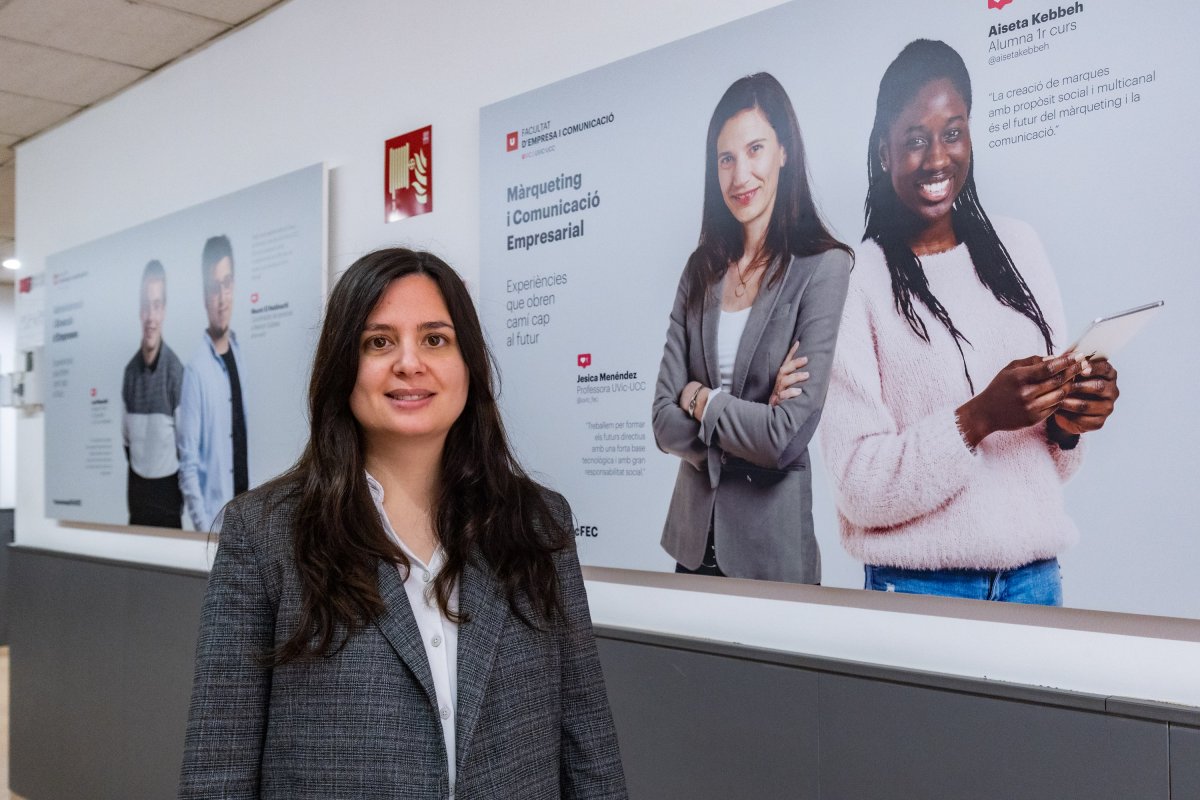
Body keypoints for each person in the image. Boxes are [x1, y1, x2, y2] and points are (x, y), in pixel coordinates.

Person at [179, 249, 627, 799]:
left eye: (436, 339)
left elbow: (588, 745)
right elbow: (218, 768)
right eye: (379, 342)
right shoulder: (265, 535)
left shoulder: (537, 524)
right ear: (344, 366)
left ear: (468, 364)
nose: (409, 363)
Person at [816, 39, 1119, 604]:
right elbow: (858, 485)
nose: (936, 158)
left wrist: (1071, 421)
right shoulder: (855, 285)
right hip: (918, 594)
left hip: (1036, 583)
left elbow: (1052, 468)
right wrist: (977, 418)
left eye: (952, 132)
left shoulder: (1020, 250)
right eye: (915, 140)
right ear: (884, 152)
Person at [651, 72, 853, 583]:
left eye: (755, 149)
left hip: (771, 556)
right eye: (726, 158)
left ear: (784, 151)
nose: (740, 174)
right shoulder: (701, 271)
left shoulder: (823, 269)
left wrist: (700, 399)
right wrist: (753, 420)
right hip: (693, 548)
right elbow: (661, 421)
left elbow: (785, 438)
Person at [177, 234, 248, 532]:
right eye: (214, 287)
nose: (222, 297)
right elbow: (188, 466)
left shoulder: (243, 354)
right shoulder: (195, 371)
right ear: (204, 295)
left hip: (250, 523)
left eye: (227, 283)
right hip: (219, 530)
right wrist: (206, 531)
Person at [122, 259, 184, 527]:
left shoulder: (175, 372)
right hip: (136, 501)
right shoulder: (129, 374)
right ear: (139, 310)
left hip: (168, 502)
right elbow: (127, 444)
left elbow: (186, 448)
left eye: (156, 305)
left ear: (164, 311)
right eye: (146, 305)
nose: (150, 316)